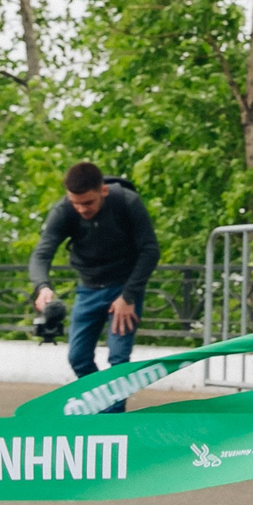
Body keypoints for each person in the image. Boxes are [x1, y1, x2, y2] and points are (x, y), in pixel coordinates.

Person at [28, 162, 161, 400]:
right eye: (75, 202)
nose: (81, 209)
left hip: (125, 287)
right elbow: (41, 254)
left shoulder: (127, 202)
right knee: (78, 357)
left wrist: (128, 296)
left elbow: (150, 250)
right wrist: (42, 287)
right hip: (88, 288)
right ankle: (101, 406)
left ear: (103, 191)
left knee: (118, 359)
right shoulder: (64, 211)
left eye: (88, 202)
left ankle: (113, 423)